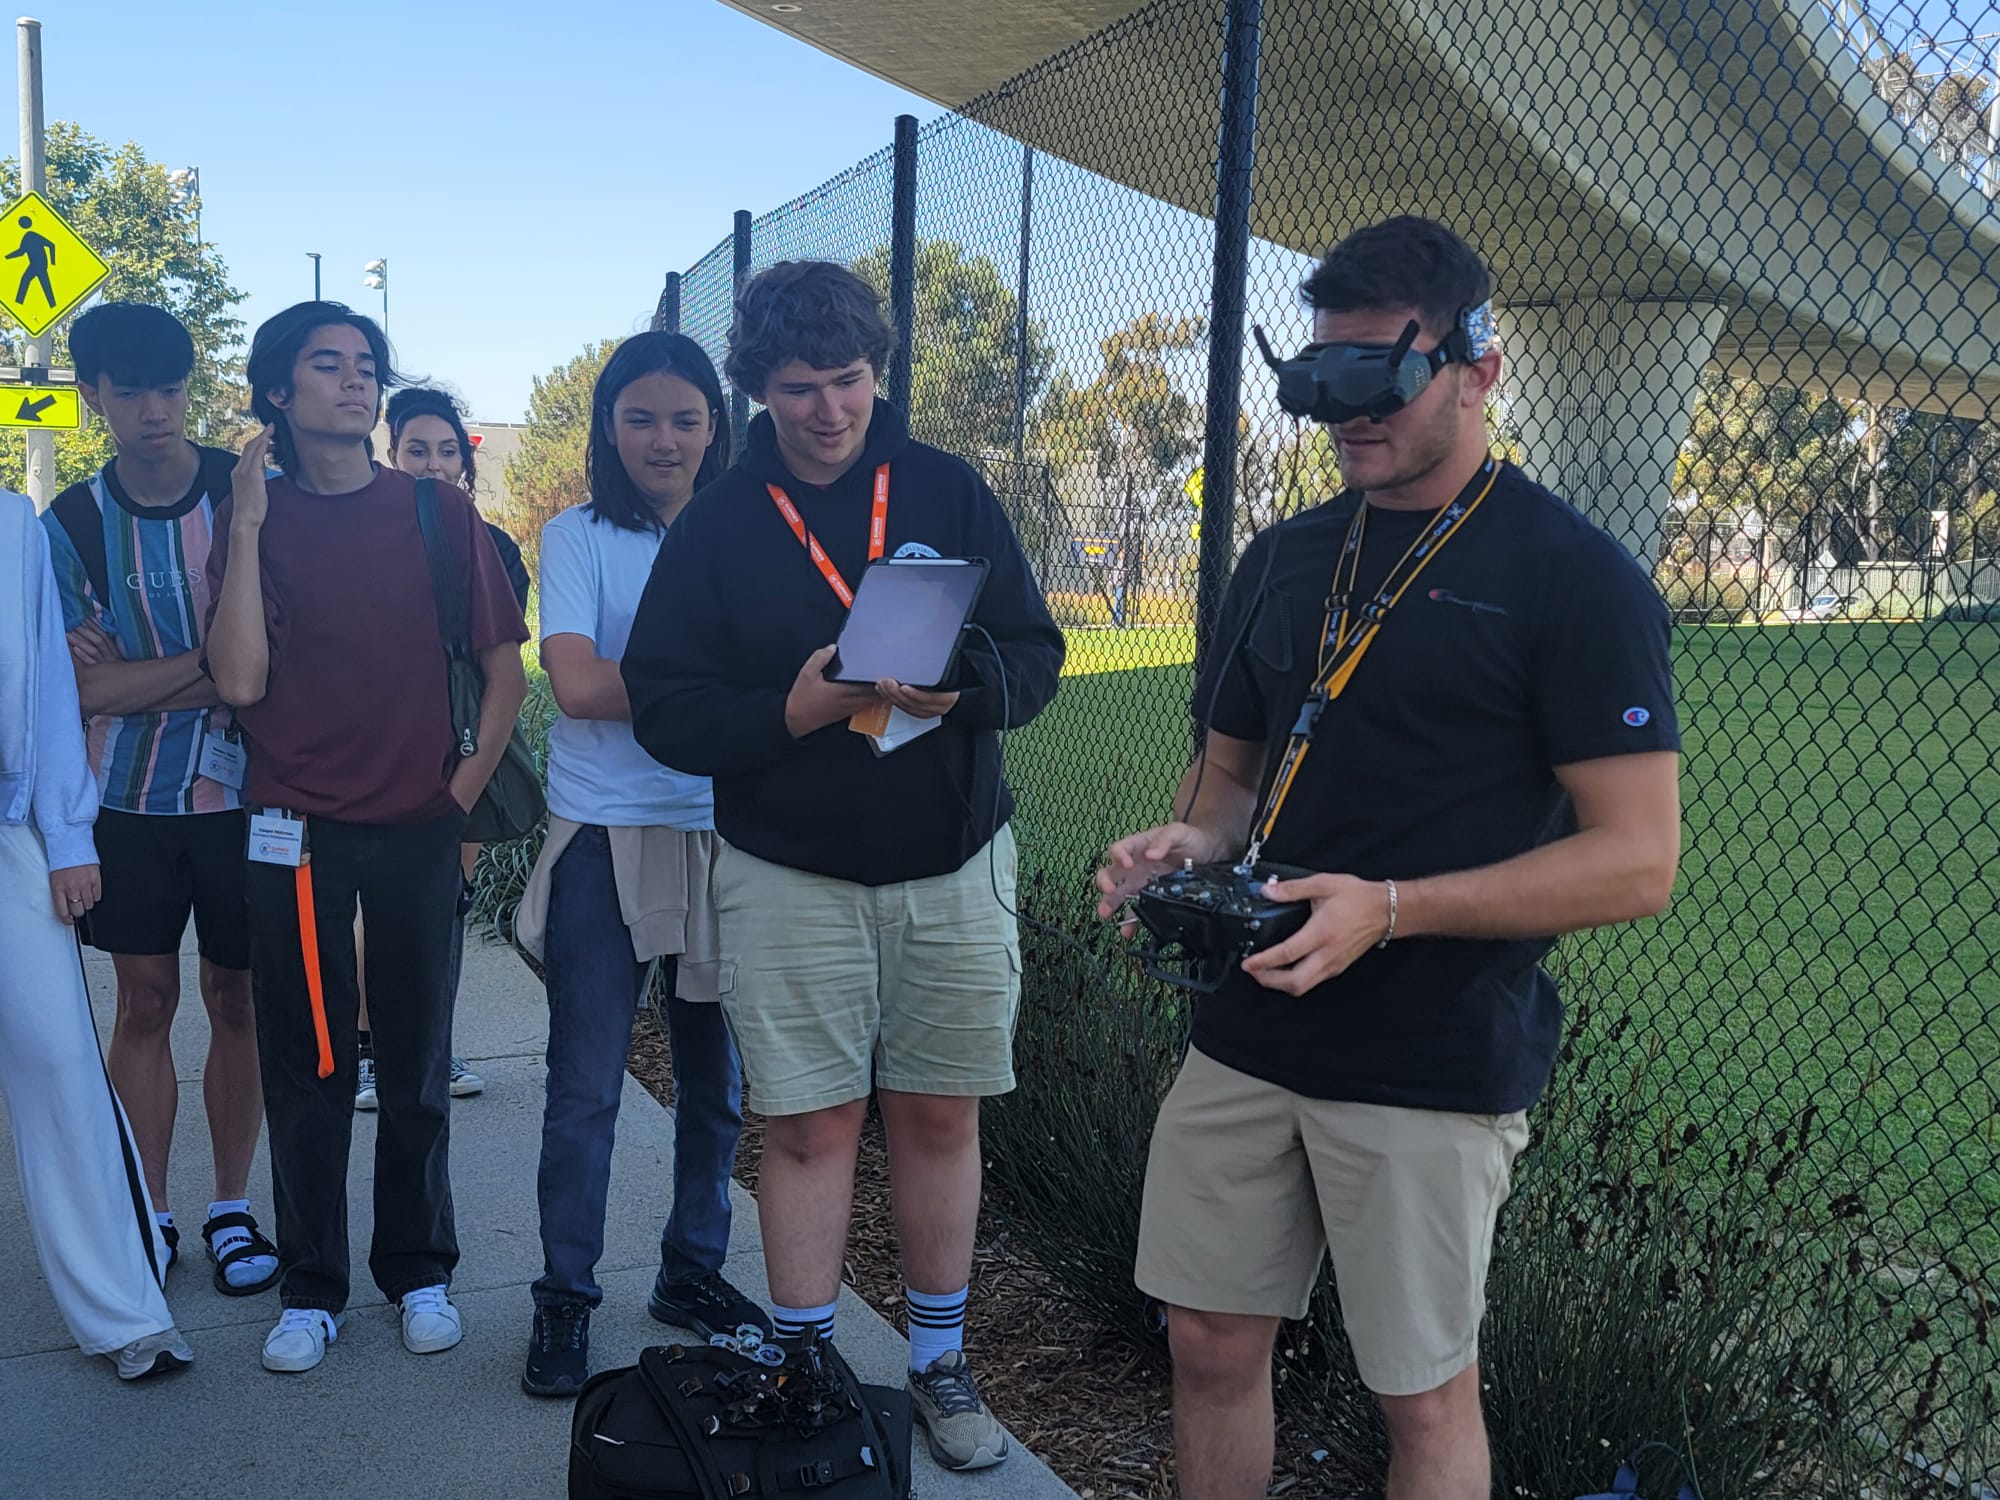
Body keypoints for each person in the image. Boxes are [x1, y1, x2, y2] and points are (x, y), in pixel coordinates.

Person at [1094, 217, 1684, 1500]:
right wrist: (1188, 841)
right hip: (1249, 1027)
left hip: (1429, 1052)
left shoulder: (1571, 578)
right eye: (1320, 384)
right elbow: (1231, 775)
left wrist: (1393, 907)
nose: (1346, 418)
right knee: (1205, 1340)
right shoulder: (1283, 557)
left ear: (1477, 370)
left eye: (1380, 380)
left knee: (1418, 1398)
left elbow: (1636, 860)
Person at [622, 261, 1065, 1471]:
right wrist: (793, 713)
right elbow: (664, 705)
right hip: (790, 870)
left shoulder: (945, 488)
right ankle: (804, 1364)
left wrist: (962, 689)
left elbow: (1034, 655)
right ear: (756, 390)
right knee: (809, 1125)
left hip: (951, 860)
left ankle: (938, 1361)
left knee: (938, 1113)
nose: (827, 410)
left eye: (848, 381)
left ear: (880, 370)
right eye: (798, 388)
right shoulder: (719, 523)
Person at [204, 301, 529, 1375]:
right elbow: (239, 680)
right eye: (327, 364)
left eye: (366, 366)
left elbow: (501, 670)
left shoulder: (436, 511)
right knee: (309, 1064)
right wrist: (246, 526)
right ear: (277, 391)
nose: (355, 381)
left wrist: (461, 790)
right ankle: (311, 1287)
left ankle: (419, 1270)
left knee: (417, 1057)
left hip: (418, 828)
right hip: (291, 834)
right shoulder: (250, 516)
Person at [511, 332, 768, 1398]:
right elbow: (575, 685)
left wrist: (702, 692)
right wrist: (736, 695)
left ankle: (691, 1271)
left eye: (686, 419)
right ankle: (565, 1297)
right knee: (584, 1088)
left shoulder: (751, 531)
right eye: (641, 418)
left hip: (726, 833)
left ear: (717, 429)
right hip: (603, 835)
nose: (665, 440)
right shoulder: (577, 536)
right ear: (608, 429)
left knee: (718, 1086)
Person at [42, 302, 278, 1299]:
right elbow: (80, 692)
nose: (154, 411)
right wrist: (219, 667)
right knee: (144, 1003)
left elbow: (280, 658)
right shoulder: (70, 525)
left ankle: (230, 1206)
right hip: (127, 805)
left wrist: (142, 675)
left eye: (171, 389)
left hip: (245, 796)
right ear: (94, 395)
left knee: (238, 998)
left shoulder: (244, 492)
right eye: (131, 391)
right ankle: (149, 1209)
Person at [1, 487, 195, 1380]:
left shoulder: (12, 523)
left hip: (10, 836)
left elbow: (46, 688)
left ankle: (125, 1312)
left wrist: (67, 835)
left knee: (61, 1062)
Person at [342, 385, 530, 1111]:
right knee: (379, 905)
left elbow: (496, 664)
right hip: (381, 749)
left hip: (462, 745)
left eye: (448, 451)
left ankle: (432, 1048)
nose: (433, 463)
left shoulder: (497, 547)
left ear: (465, 462)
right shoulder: (367, 538)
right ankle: (369, 1050)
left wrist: (470, 769)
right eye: (417, 449)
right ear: (391, 455)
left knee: (446, 901)